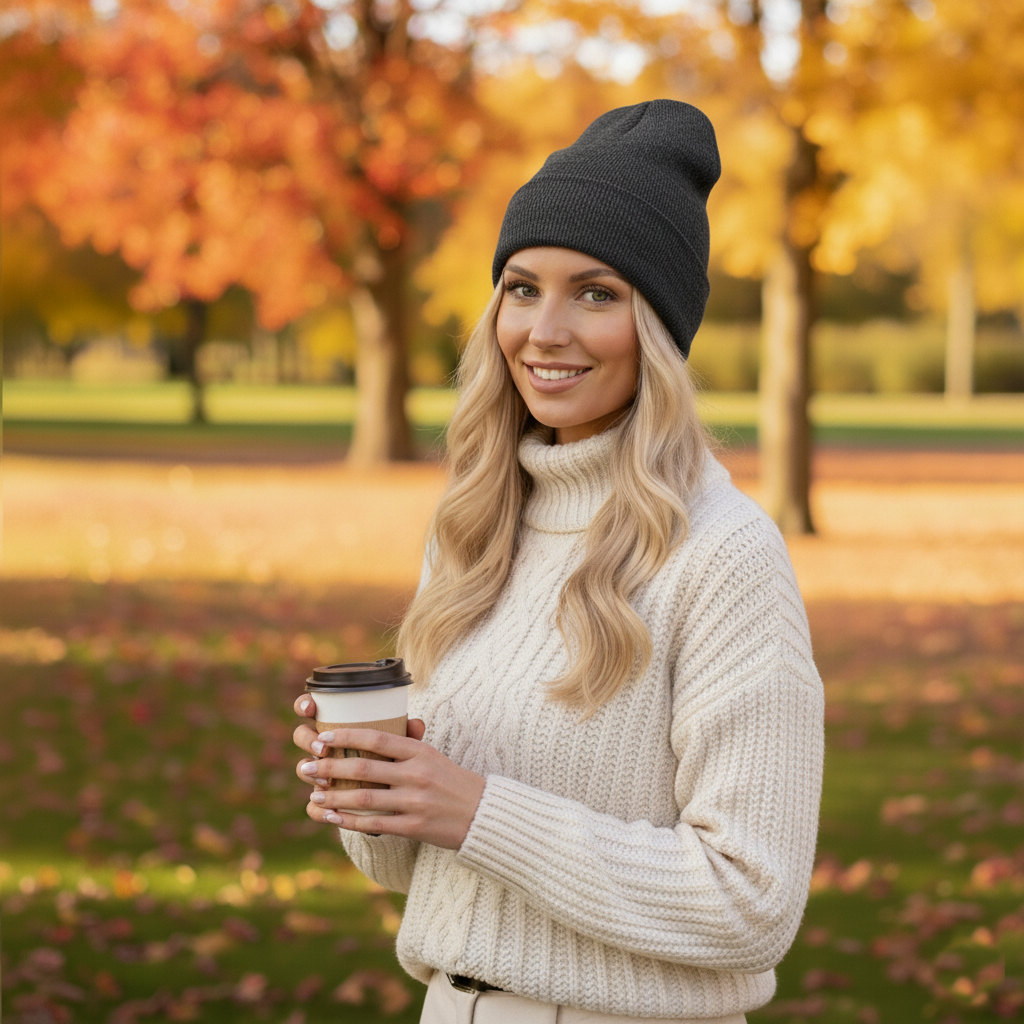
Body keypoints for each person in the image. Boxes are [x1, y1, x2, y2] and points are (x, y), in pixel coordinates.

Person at [292, 100, 825, 1023]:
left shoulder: (724, 552)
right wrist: (374, 788)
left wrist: (475, 809)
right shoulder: (475, 527)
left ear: (658, 327)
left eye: (595, 293)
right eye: (522, 287)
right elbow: (414, 869)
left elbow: (752, 901)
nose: (544, 330)